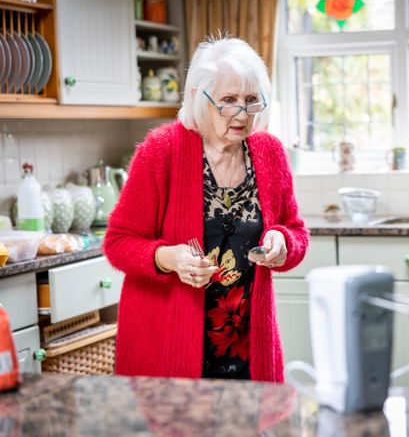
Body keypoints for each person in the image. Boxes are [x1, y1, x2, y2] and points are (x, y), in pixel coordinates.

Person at [103, 36, 309, 382]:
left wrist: (282, 241)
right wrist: (169, 258)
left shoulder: (269, 152)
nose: (242, 114)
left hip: (248, 353)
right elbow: (118, 243)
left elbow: (296, 231)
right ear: (200, 97)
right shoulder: (161, 151)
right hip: (168, 350)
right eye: (229, 101)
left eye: (251, 101)